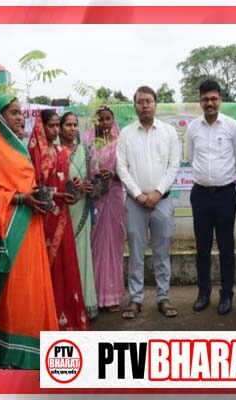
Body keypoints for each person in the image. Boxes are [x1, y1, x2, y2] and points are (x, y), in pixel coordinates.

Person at [0, 95, 59, 368]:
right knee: (16, 290)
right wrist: (22, 199)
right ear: (0, 117)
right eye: (13, 112)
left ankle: (35, 348)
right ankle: (13, 353)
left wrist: (39, 196)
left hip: (30, 225)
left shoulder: (18, 147)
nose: (20, 117)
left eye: (21, 112)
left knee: (34, 288)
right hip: (10, 229)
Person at [116, 86, 181, 319]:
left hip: (162, 201)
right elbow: (121, 167)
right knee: (136, 252)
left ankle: (163, 297)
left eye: (149, 101)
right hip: (135, 203)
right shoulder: (126, 134)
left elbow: (174, 165)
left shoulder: (168, 132)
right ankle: (135, 299)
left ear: (156, 104)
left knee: (162, 252)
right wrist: (138, 195)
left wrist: (157, 193)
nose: (145, 106)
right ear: (134, 105)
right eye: (140, 102)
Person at [28, 109, 89, 331]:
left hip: (62, 218)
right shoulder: (33, 154)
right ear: (41, 127)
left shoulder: (62, 152)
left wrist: (73, 185)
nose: (54, 130)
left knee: (67, 266)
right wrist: (56, 194)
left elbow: (65, 181)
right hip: (42, 219)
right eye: (51, 126)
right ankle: (48, 318)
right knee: (47, 269)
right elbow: (32, 188)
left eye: (56, 125)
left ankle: (68, 318)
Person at [187, 79, 236, 315]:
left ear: (220, 99)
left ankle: (227, 294)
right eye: (205, 99)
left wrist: (221, 177)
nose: (209, 103)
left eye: (213, 99)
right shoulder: (192, 128)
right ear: (200, 101)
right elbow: (191, 158)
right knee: (202, 247)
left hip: (225, 195)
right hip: (200, 194)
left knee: (226, 247)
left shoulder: (232, 127)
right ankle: (203, 293)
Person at [82, 106, 125, 313]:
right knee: (95, 244)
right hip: (95, 199)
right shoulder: (87, 145)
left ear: (113, 120)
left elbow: (128, 170)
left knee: (114, 244)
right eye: (101, 119)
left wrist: (114, 174)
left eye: (108, 119)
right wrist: (94, 176)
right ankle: (94, 295)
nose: (105, 123)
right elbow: (82, 170)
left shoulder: (120, 144)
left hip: (114, 197)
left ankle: (113, 295)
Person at [59, 111, 99, 320]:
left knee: (82, 256)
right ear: (60, 128)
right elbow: (51, 183)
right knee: (63, 257)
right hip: (61, 212)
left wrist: (91, 186)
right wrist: (73, 187)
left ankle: (85, 303)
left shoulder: (86, 151)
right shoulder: (54, 152)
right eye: (68, 124)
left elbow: (96, 182)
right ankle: (65, 308)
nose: (72, 128)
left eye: (75, 124)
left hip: (82, 210)